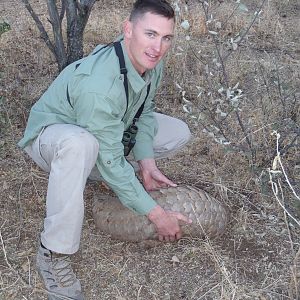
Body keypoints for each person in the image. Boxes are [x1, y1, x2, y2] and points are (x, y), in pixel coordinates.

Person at [18, 0, 192, 299]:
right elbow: (110, 157)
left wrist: (147, 162)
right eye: (150, 34)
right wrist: (156, 213)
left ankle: (102, 174)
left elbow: (145, 111)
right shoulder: (99, 85)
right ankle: (53, 253)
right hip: (52, 138)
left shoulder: (152, 61)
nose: (158, 47)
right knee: (80, 146)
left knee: (178, 131)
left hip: (104, 130)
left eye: (166, 38)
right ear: (127, 29)